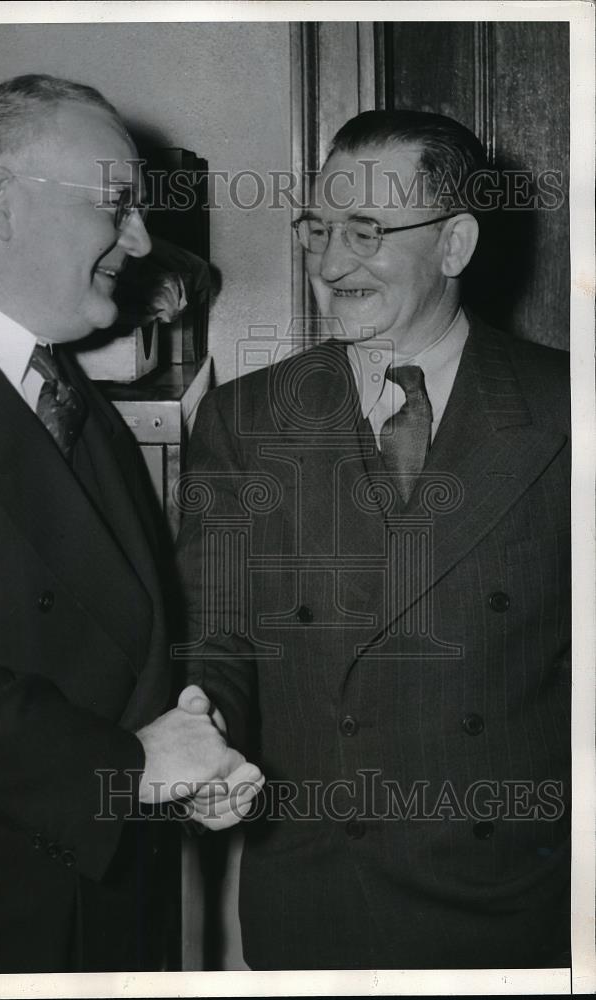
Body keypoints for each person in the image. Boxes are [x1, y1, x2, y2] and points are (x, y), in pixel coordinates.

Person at [0, 73, 259, 975]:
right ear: (3, 203)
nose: (139, 241)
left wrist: (193, 755)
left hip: (104, 910)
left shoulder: (70, 398)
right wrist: (132, 767)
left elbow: (134, 641)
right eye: (116, 206)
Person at [176, 109, 571, 969]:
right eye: (318, 228)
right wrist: (210, 741)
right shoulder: (243, 419)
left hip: (520, 899)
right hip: (320, 893)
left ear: (455, 243)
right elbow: (219, 637)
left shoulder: (568, 410)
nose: (329, 264)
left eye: (367, 231)